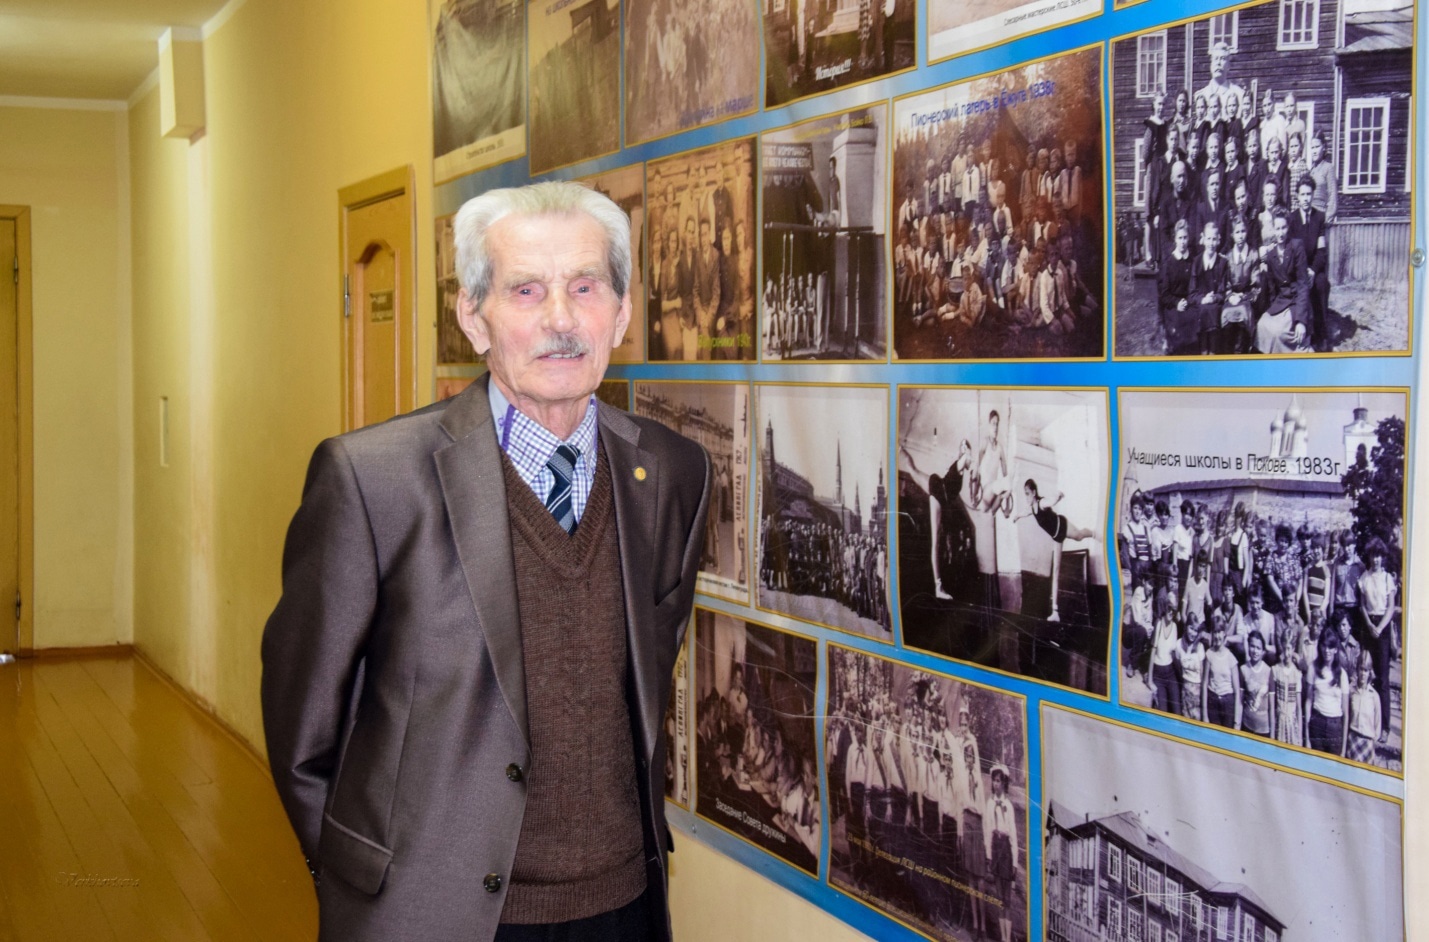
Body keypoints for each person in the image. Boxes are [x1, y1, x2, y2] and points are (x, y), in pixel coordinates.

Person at [261, 182, 712, 942]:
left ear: (622, 312)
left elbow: (642, 683)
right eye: (526, 290)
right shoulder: (372, 481)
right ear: (474, 317)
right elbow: (304, 732)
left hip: (623, 908)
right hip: (433, 916)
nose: (561, 319)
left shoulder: (674, 474)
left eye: (585, 287)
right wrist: (360, 881)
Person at [1012, 479, 1095, 622]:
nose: (1026, 497)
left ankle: (1093, 533)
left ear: (1034, 492)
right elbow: (1025, 512)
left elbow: (1050, 501)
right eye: (1024, 494)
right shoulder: (1032, 508)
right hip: (1056, 536)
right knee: (1055, 570)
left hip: (1061, 525)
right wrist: (1017, 516)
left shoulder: (1041, 503)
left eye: (1027, 493)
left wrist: (1058, 495)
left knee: (1080, 536)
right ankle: (1055, 612)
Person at [1357, 538, 1397, 743]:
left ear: (1383, 557)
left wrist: (1380, 627)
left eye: (1379, 555)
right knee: (1365, 671)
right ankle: (1367, 722)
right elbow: (1362, 606)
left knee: (1382, 679)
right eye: (1373, 555)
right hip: (1368, 627)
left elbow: (1391, 607)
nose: (1376, 559)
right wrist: (1370, 625)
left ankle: (1386, 727)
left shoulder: (1388, 578)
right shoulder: (1364, 578)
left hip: (1383, 627)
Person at [985, 765, 1018, 942]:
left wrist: (1015, 863)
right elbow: (988, 830)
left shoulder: (1009, 806)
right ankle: (1003, 938)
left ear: (1004, 783)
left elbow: (1013, 835)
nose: (995, 784)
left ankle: (1008, 938)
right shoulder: (990, 803)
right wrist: (989, 856)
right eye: (994, 781)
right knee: (999, 898)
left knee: (1007, 898)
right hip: (996, 848)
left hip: (1006, 849)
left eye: (998, 781)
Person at [1307, 630, 1350, 756]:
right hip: (1317, 723)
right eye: (1324, 646)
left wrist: (1343, 749)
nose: (1327, 650)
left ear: (1336, 649)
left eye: (1330, 647)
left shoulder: (1342, 674)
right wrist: (1306, 737)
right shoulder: (1313, 668)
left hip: (1335, 728)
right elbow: (1308, 702)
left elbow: (1346, 713)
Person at [1347, 651, 1382, 765]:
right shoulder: (1351, 691)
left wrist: (1372, 742)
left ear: (1370, 672)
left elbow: (1378, 724)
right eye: (1361, 669)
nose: (1363, 673)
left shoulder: (1374, 696)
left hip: (1367, 743)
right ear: (1357, 669)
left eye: (1366, 670)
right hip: (1353, 740)